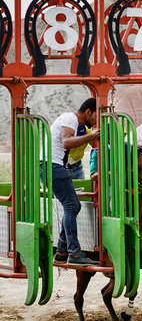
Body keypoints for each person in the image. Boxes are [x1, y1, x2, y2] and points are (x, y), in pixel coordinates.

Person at [48, 98, 100, 265]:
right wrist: (90, 136)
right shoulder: (70, 118)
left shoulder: (78, 124)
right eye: (96, 116)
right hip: (53, 165)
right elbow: (66, 141)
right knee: (72, 206)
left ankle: (63, 251)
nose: (96, 120)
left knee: (72, 205)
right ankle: (75, 254)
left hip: (55, 166)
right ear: (88, 112)